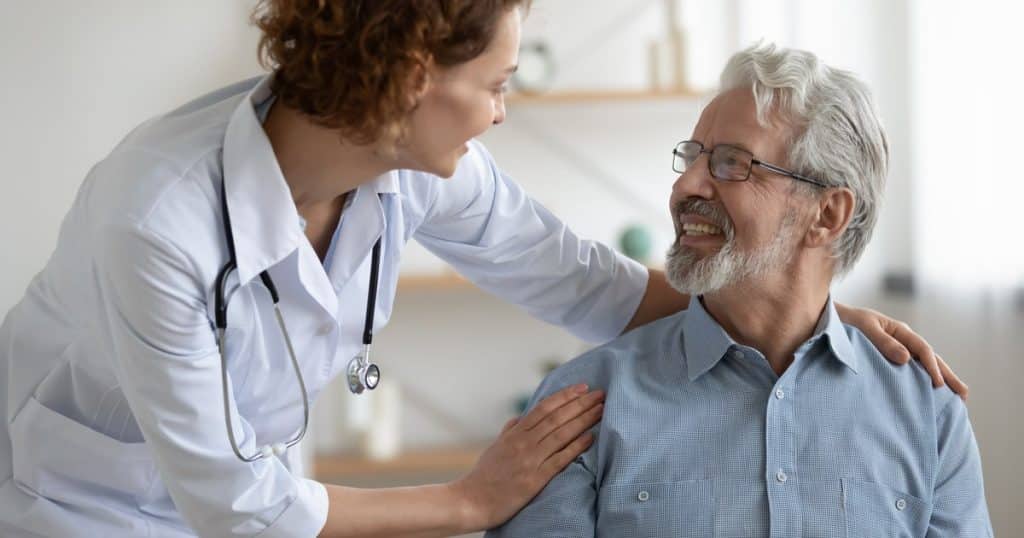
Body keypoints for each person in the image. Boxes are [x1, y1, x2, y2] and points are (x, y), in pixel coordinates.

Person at [0, 2, 961, 536]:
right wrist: (469, 498)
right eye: (496, 85)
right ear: (415, 80)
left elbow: (593, 284)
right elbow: (237, 507)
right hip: (81, 508)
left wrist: (818, 322)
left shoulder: (414, 172)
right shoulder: (158, 219)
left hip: (257, 497)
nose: (502, 111)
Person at [488, 43, 992, 537]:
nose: (685, 186)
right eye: (691, 157)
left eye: (732, 163)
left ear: (828, 215)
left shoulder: (927, 410)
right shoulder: (580, 409)